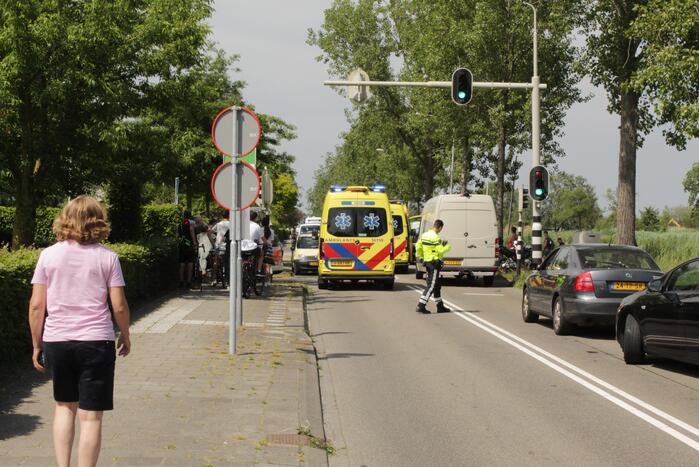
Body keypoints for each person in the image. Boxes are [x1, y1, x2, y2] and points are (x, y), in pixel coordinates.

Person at [28, 196, 131, 467]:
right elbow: (118, 306)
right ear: (98, 221)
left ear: (65, 219)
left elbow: (38, 306)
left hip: (58, 341)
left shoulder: (48, 255)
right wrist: (126, 335)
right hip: (97, 342)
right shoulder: (108, 258)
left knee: (64, 406)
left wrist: (37, 344)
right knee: (91, 416)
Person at [415, 219, 452, 314]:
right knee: (431, 285)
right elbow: (440, 251)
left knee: (436, 285)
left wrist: (422, 257)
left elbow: (418, 247)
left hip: (427, 262)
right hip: (434, 263)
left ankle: (440, 306)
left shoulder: (424, 235)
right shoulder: (436, 237)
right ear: (440, 227)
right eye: (441, 229)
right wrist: (447, 246)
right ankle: (421, 305)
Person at [177, 210, 197, 288]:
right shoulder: (191, 223)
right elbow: (192, 232)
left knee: (181, 264)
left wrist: (179, 244)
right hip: (189, 246)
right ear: (190, 215)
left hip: (182, 246)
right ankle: (189, 282)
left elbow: (177, 236)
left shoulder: (180, 224)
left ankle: (181, 282)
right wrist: (195, 243)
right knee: (190, 264)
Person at [210, 211, 230, 286]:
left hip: (218, 245)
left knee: (216, 262)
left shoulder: (218, 224)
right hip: (227, 246)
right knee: (227, 263)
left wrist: (213, 242)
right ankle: (228, 280)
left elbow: (209, 232)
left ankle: (214, 279)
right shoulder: (231, 224)